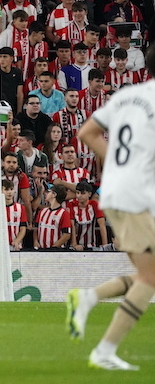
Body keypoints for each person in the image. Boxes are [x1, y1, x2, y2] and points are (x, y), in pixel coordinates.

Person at [67, 44, 155, 371]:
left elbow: (87, 133)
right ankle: (104, 351)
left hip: (117, 191)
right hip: (136, 196)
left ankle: (88, 297)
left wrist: (121, 164)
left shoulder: (125, 96)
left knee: (150, 273)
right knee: (151, 277)